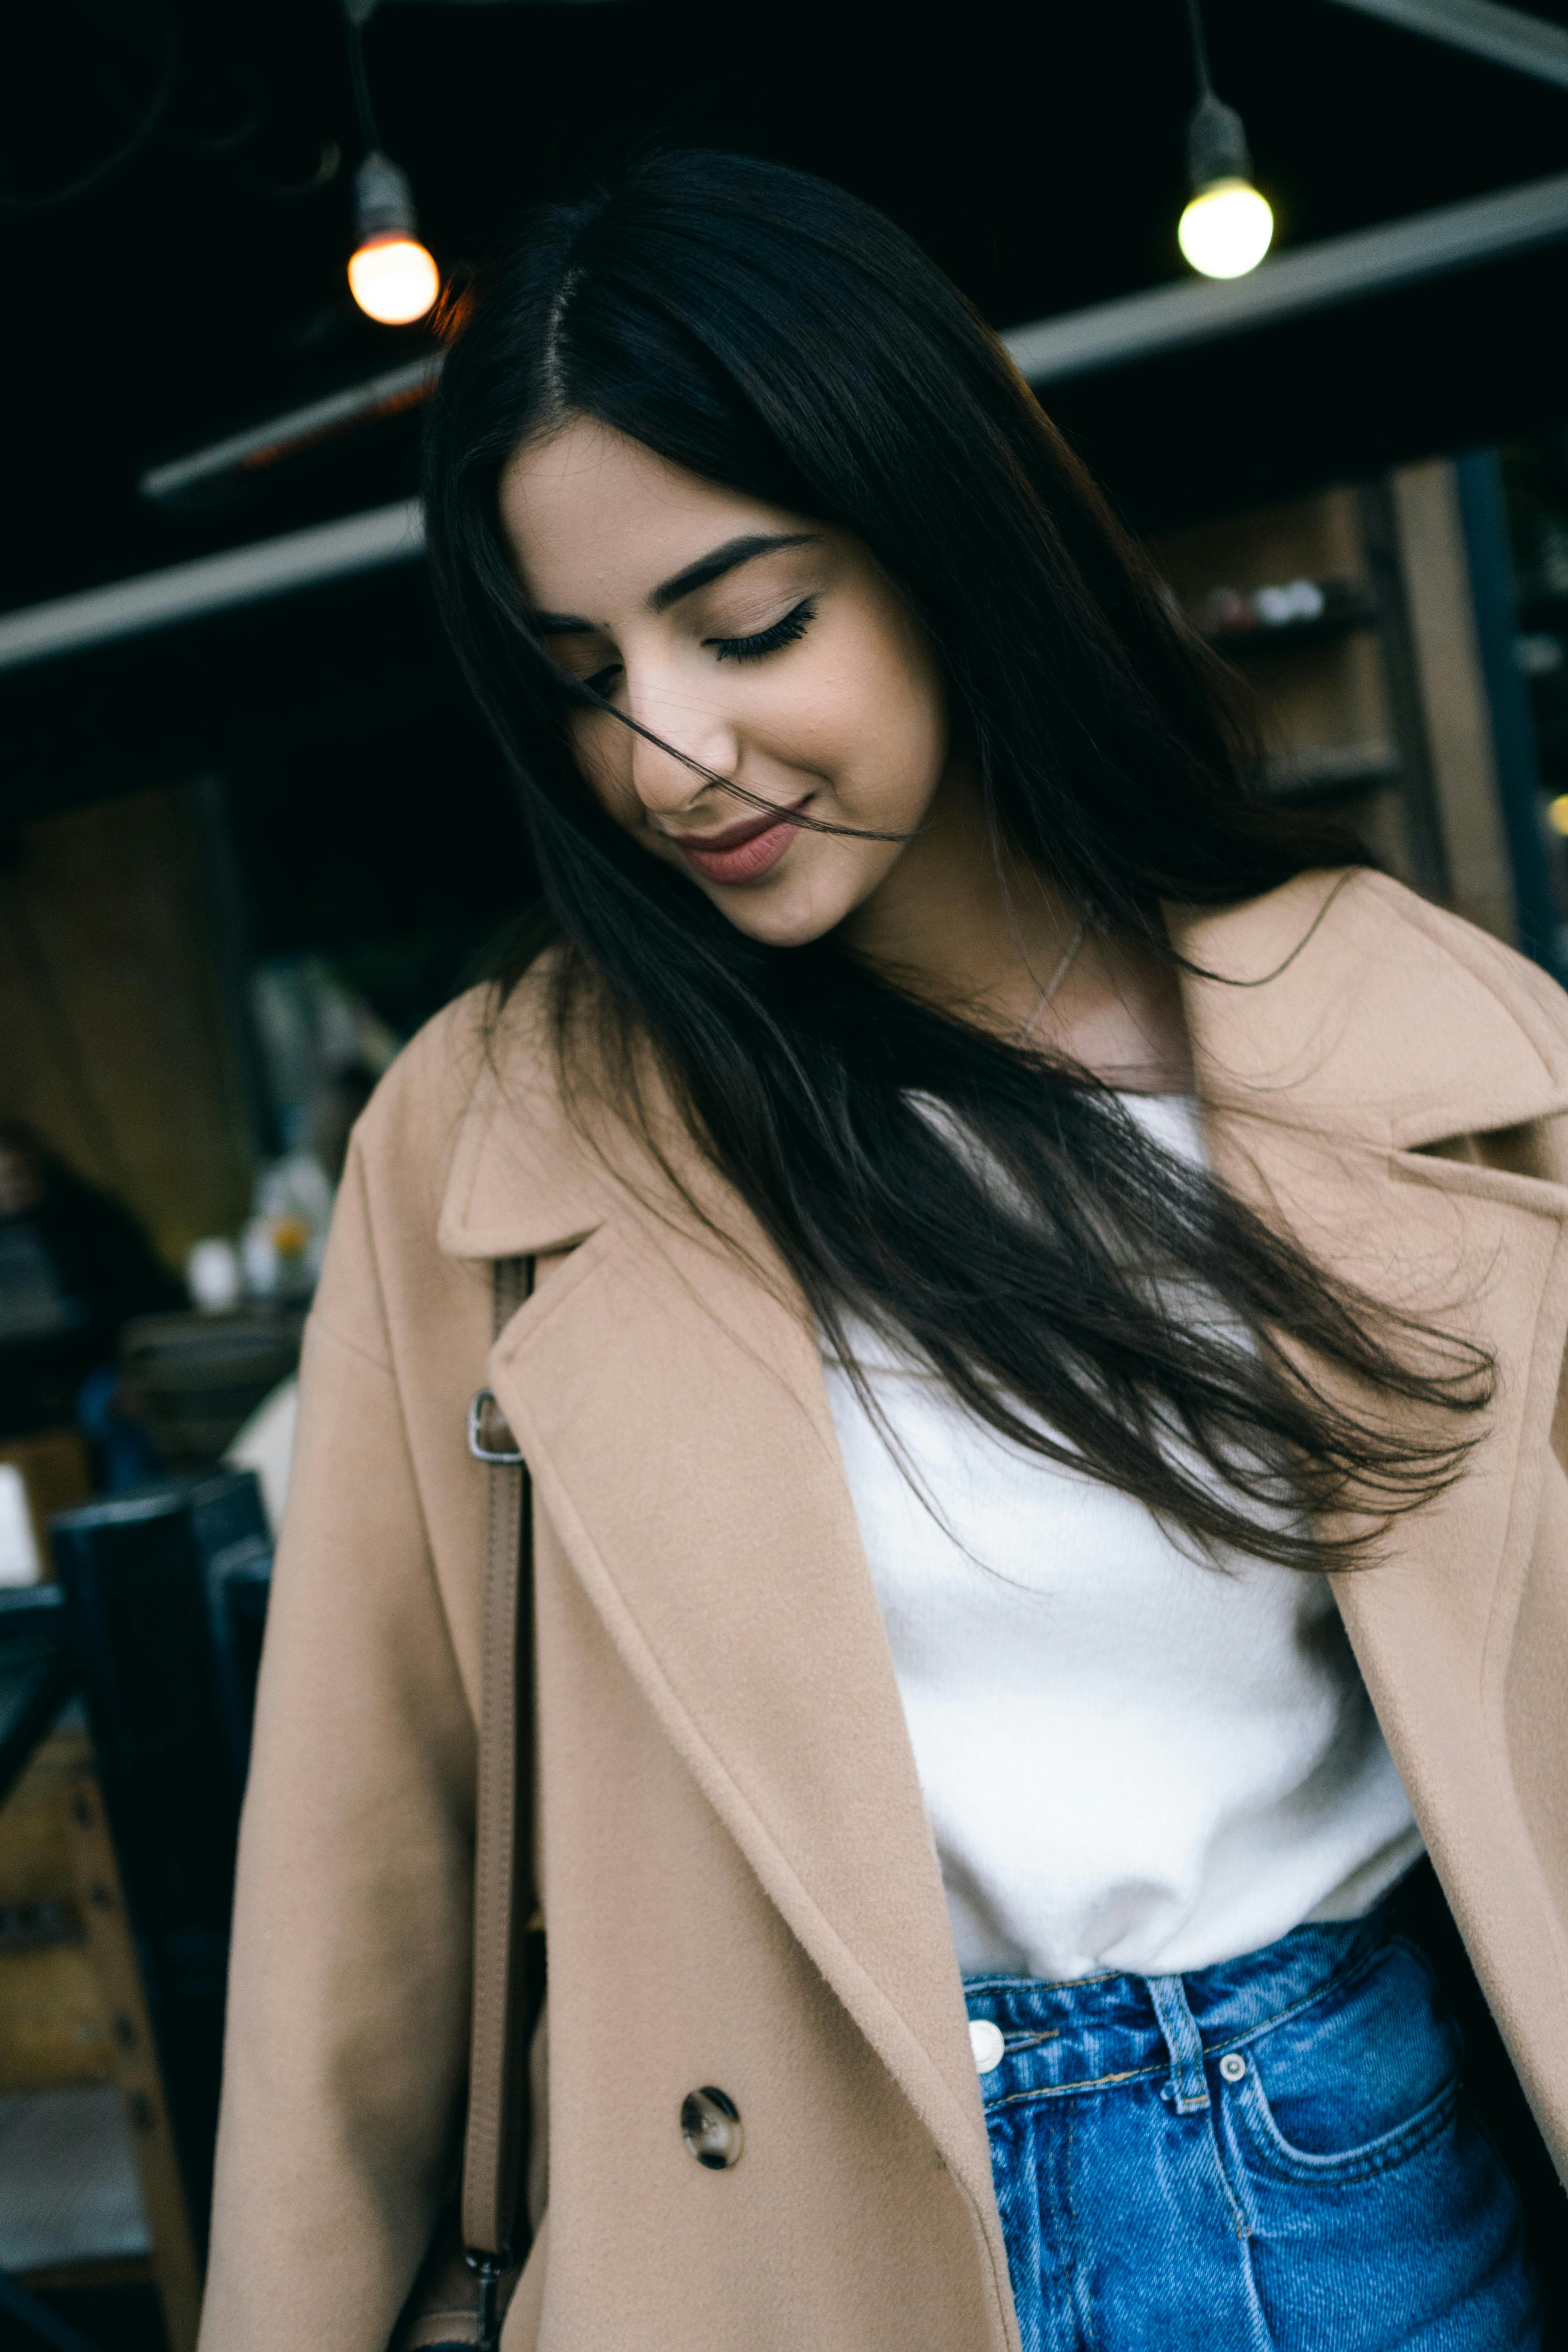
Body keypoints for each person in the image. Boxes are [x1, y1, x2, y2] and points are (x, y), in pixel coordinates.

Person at [200, 154, 1565, 2350]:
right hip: (759, 2244)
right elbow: (363, 1864)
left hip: (1357, 2200)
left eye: (749, 624)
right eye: (583, 671)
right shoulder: (498, 1131)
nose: (671, 748)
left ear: (945, 542)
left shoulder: (1414, 1031)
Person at [0, 1118, 180, 1479]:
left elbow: (152, 1299)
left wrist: (134, 1371)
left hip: (106, 1365)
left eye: (18, 1174)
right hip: (29, 1387)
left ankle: (131, 1522)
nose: (12, 1187)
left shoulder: (90, 1219)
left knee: (110, 1412)